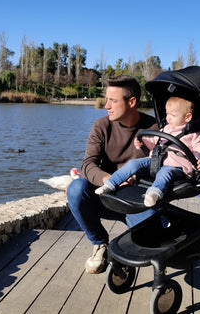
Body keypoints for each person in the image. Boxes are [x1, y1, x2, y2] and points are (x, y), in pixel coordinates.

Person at [66, 75, 156, 274]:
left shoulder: (154, 128)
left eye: (113, 100)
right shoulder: (101, 126)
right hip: (107, 197)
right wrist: (111, 180)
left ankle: (129, 246)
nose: (106, 105)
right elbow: (88, 165)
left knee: (150, 246)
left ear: (131, 102)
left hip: (139, 202)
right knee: (76, 189)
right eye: (106, 99)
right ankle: (100, 244)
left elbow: (167, 165)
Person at [95, 96, 200, 207]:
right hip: (156, 161)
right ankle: (110, 184)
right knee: (133, 163)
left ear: (187, 117)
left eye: (173, 115)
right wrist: (142, 141)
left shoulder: (194, 133)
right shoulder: (166, 128)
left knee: (165, 173)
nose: (168, 118)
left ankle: (154, 193)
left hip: (177, 167)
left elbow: (199, 147)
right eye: (167, 114)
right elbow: (155, 141)